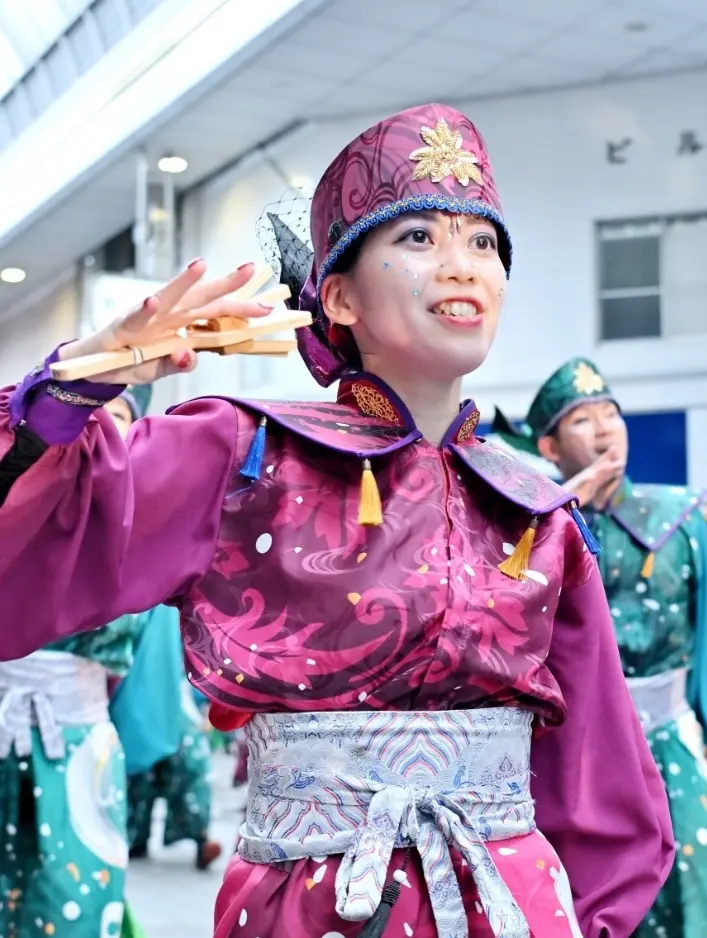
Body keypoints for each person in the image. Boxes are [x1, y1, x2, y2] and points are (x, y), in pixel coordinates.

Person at [0, 103, 672, 938]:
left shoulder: (536, 509)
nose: (461, 264)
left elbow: (596, 766)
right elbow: (31, 548)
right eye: (419, 238)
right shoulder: (240, 454)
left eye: (484, 242)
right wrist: (75, 386)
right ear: (340, 297)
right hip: (315, 908)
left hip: (513, 902)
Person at [497, 357, 707, 938]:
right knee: (582, 892)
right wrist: (559, 507)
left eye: (611, 414)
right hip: (570, 745)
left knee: (691, 888)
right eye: (582, 420)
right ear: (549, 445)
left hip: (665, 730)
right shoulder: (527, 523)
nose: (604, 428)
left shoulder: (681, 517)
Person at [0, 393, 150, 938]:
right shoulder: (11, 510)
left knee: (73, 901)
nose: (101, 432)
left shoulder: (139, 532)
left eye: (118, 420)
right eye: (91, 419)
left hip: (81, 744)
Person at [100, 387, 226, 874]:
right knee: (130, 748)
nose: (112, 425)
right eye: (104, 412)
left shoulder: (148, 477)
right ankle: (129, 837)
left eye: (121, 416)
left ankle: (198, 837)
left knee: (186, 753)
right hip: (112, 642)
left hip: (159, 631)